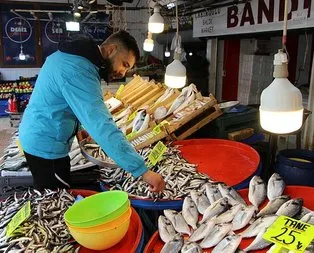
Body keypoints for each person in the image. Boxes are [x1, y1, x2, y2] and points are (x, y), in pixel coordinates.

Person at [19, 30, 165, 192]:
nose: (123, 73)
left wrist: (78, 128)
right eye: (124, 64)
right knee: (55, 199)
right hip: (46, 147)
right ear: (111, 50)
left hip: (39, 134)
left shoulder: (72, 58)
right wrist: (142, 171)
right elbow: (102, 125)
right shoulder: (79, 71)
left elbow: (65, 101)